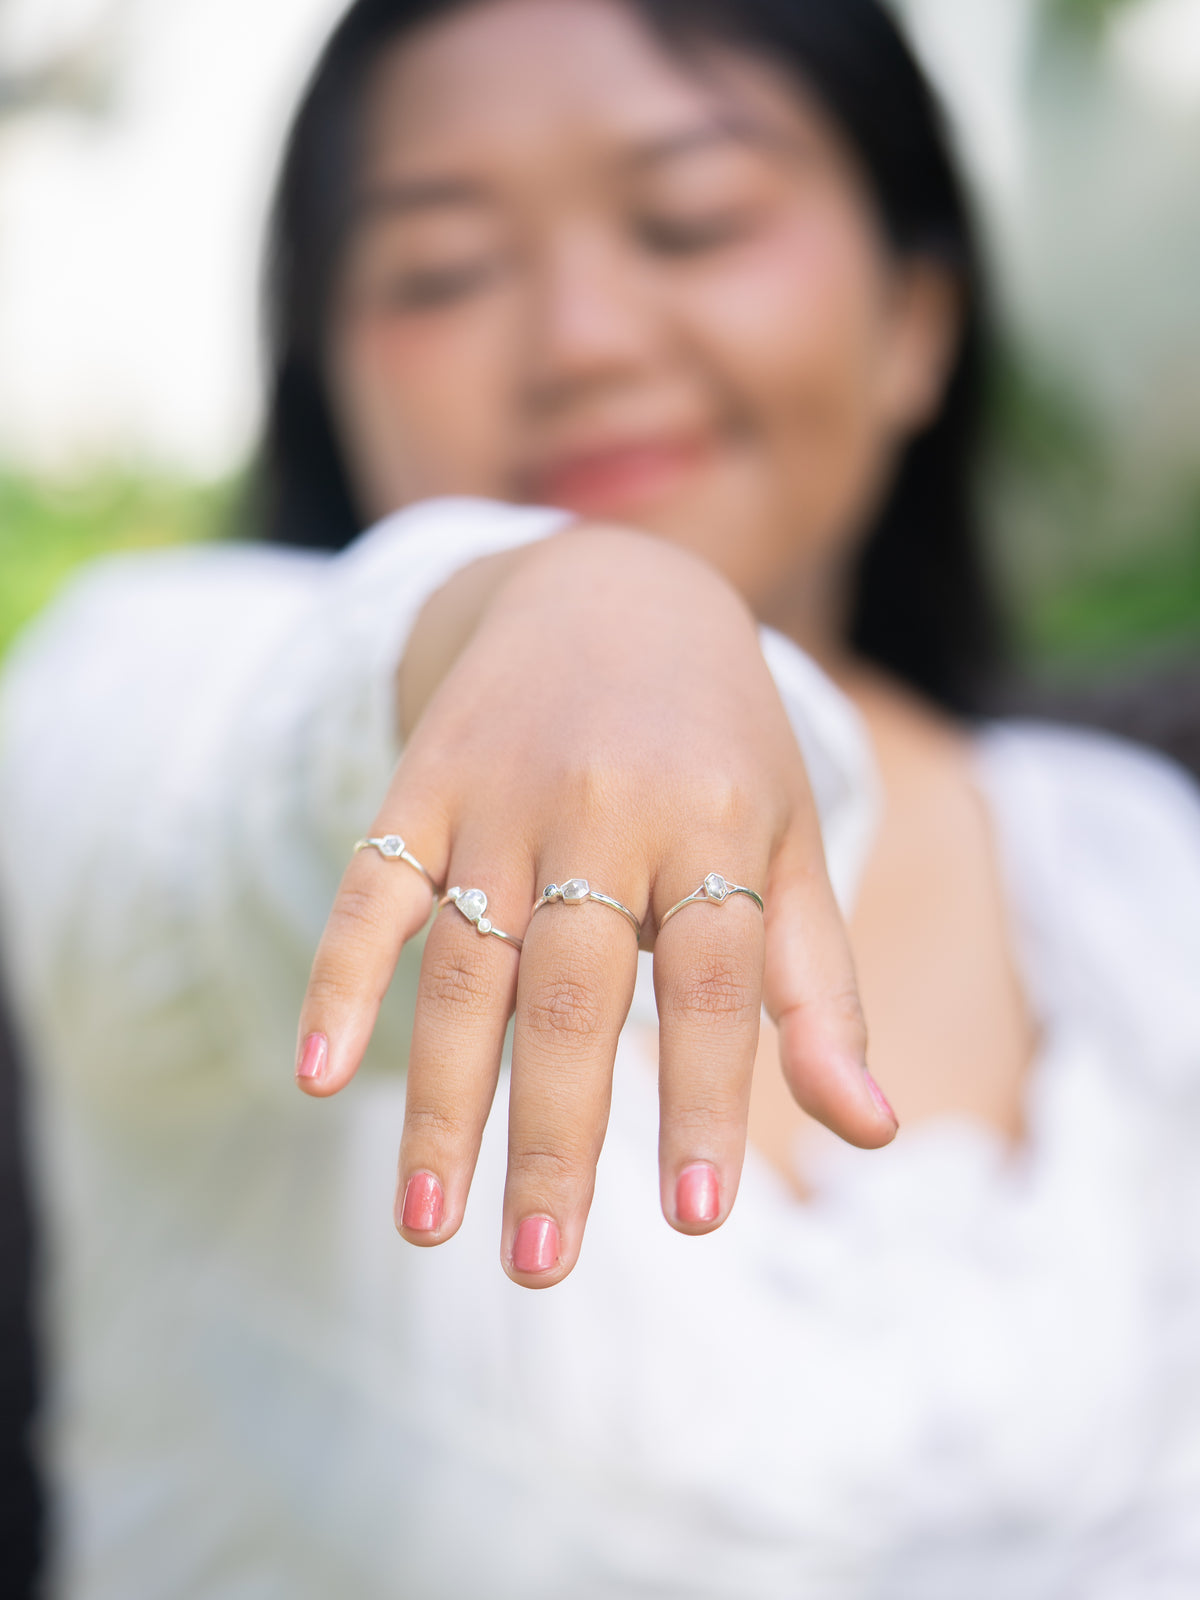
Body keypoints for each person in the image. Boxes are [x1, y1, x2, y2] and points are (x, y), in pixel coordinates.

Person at [2, 0, 1199, 1594]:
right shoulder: (146, 685)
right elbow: (191, 817)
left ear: (916, 319)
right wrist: (577, 603)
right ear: (323, 368)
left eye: (690, 221)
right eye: (439, 269)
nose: (581, 336)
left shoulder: (1128, 864)